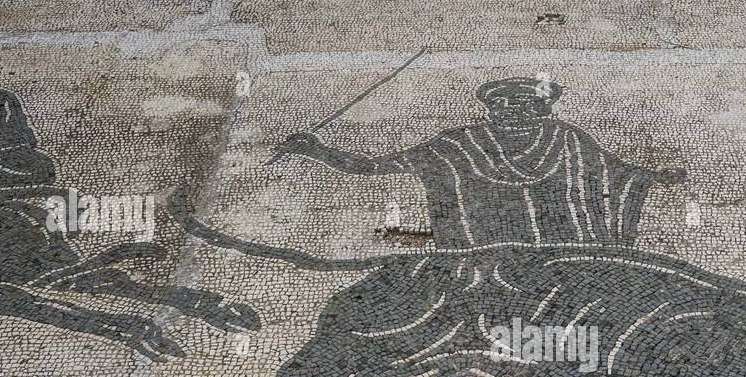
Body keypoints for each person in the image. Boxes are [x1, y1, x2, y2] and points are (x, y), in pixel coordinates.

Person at [272, 76, 686, 248]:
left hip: (565, 247)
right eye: (502, 105)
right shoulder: (459, 144)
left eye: (524, 104)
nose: (512, 111)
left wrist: (654, 176)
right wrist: (316, 149)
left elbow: (615, 171)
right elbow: (377, 166)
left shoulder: (567, 139)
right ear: (490, 110)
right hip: (484, 250)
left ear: (542, 109)